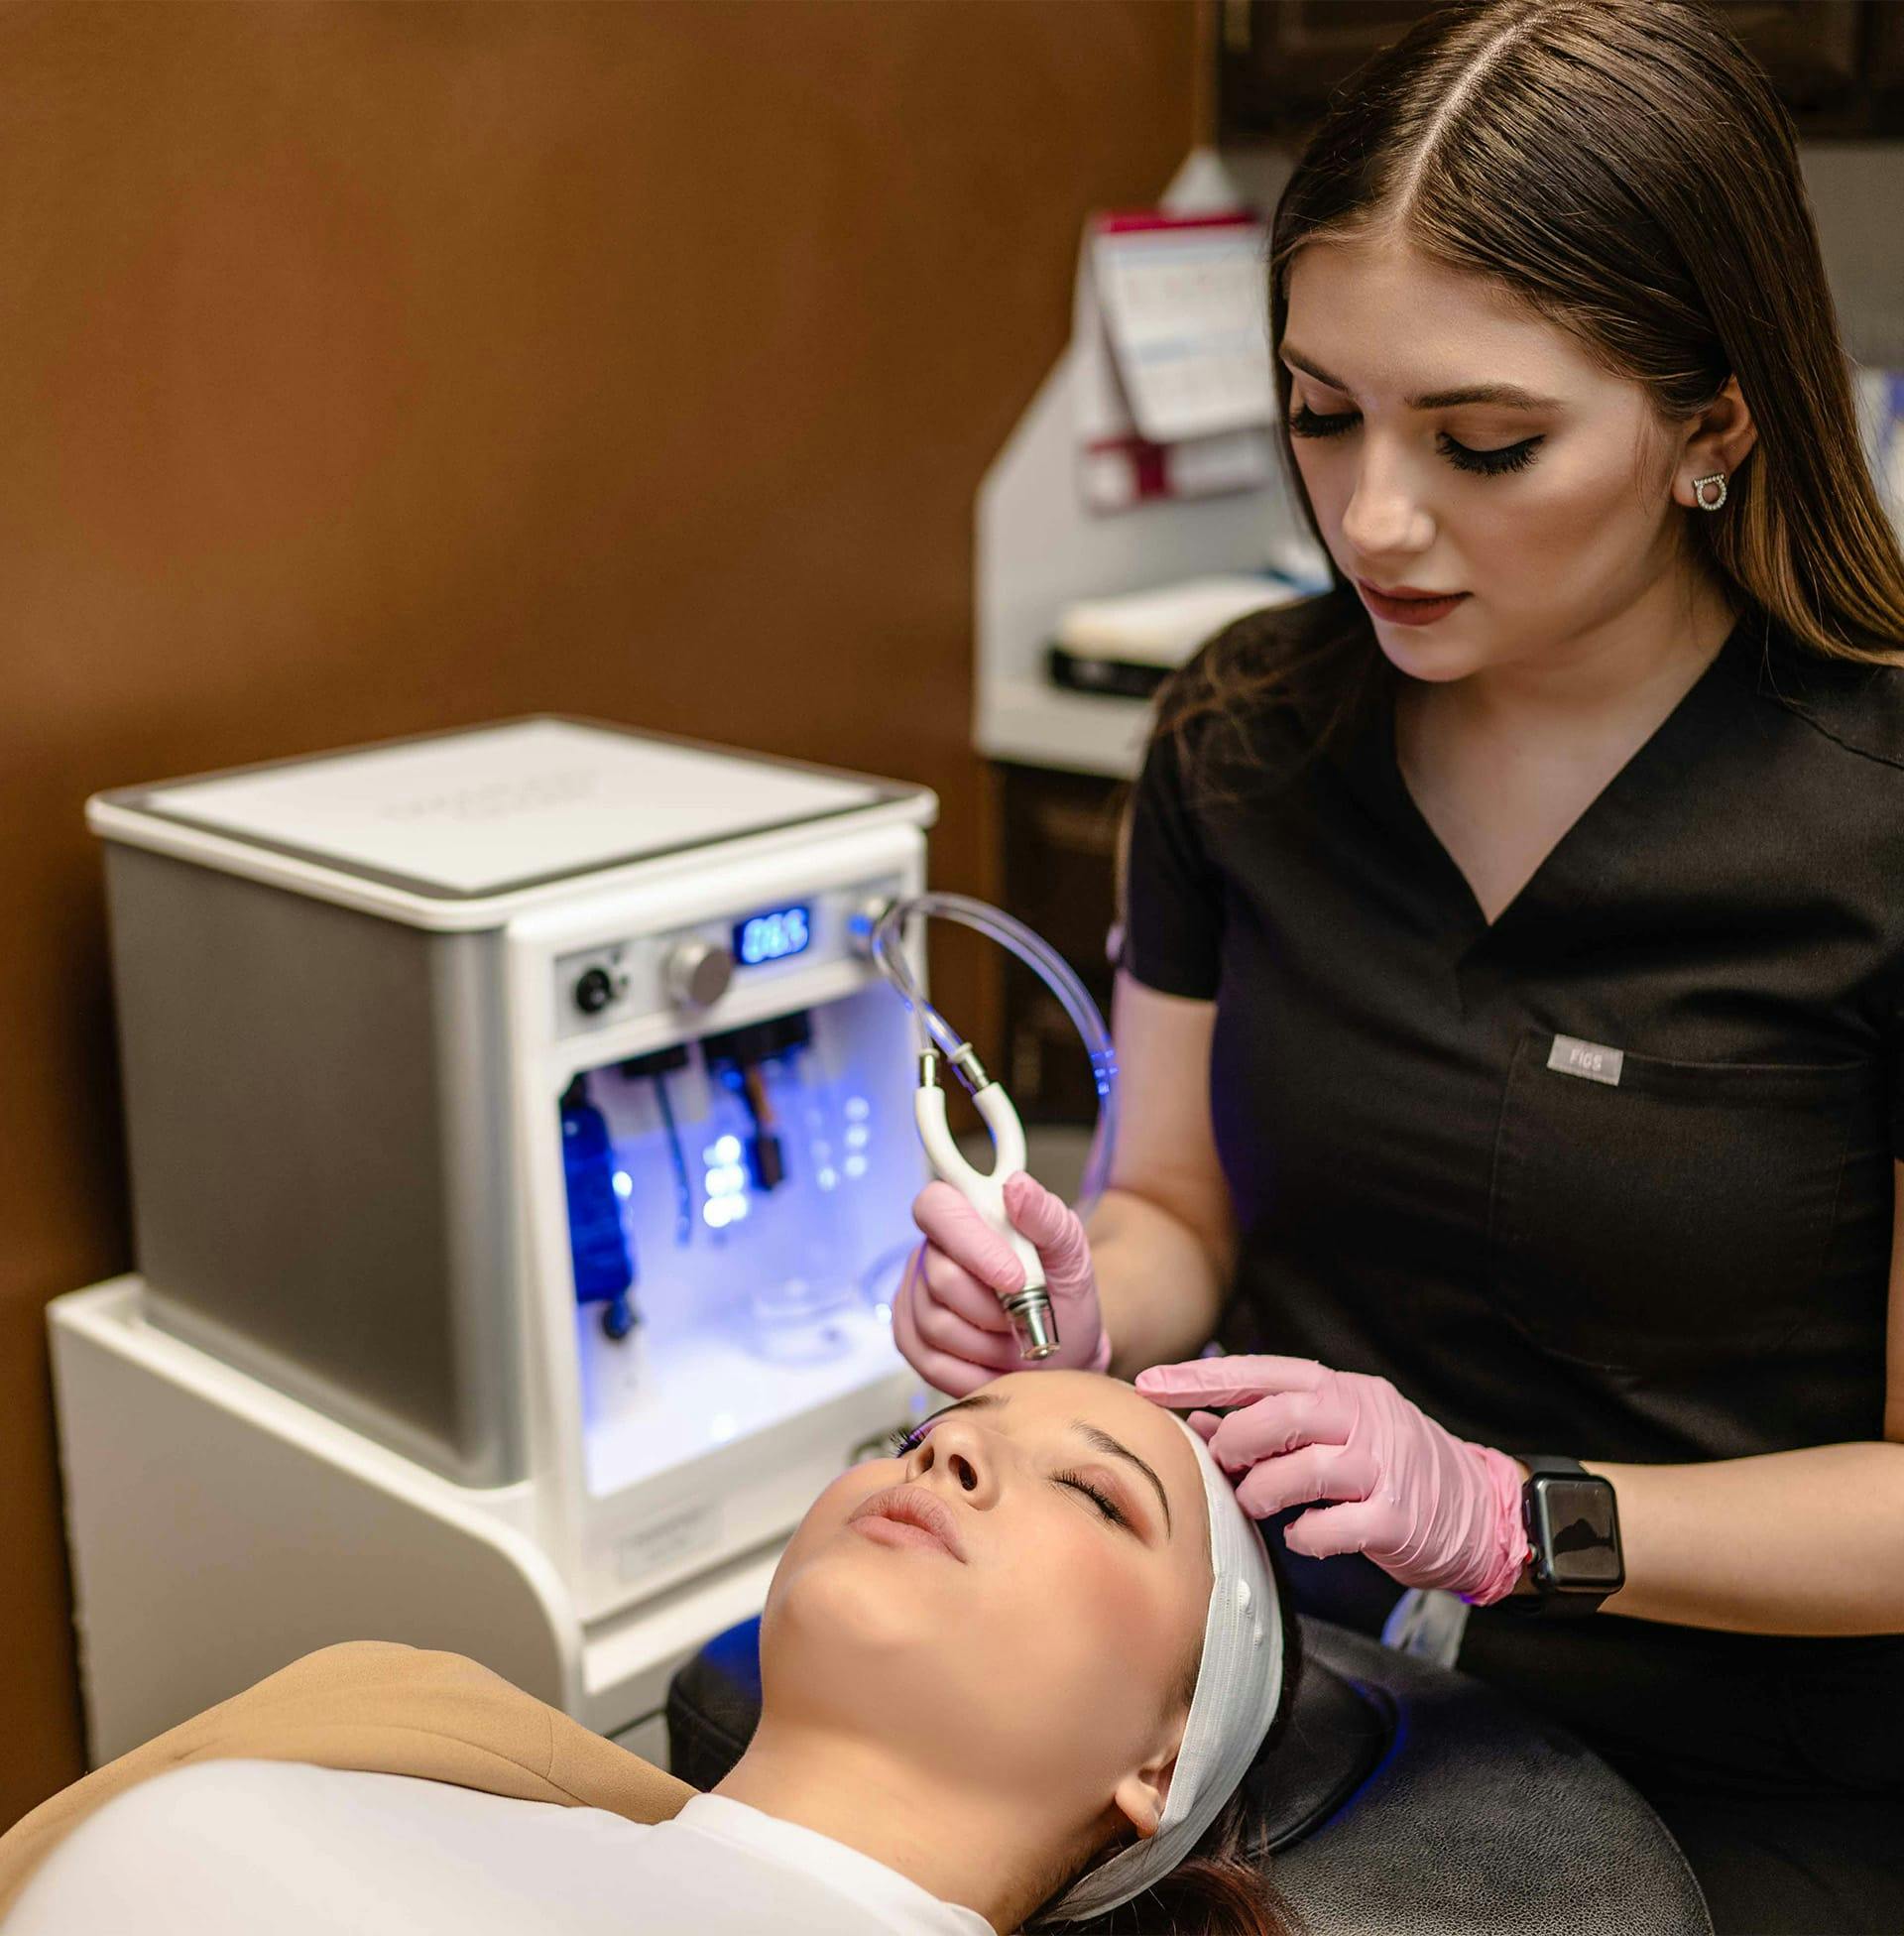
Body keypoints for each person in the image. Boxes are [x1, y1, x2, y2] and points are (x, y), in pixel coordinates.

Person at [896, 4, 1904, 1931]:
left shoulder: (1873, 827)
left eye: (1488, 441)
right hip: (1288, 1684)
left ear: (1717, 418)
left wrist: (1520, 1516)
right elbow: (1182, 1199)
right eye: (1321, 410)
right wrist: (1086, 1299)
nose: (1370, 517)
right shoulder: (1244, 739)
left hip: (1761, 1755)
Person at [0, 1372, 1293, 1936]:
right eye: (930, 1432)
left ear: (1161, 1758)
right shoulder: (403, 1719)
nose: (946, 1453)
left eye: (1097, 1495)